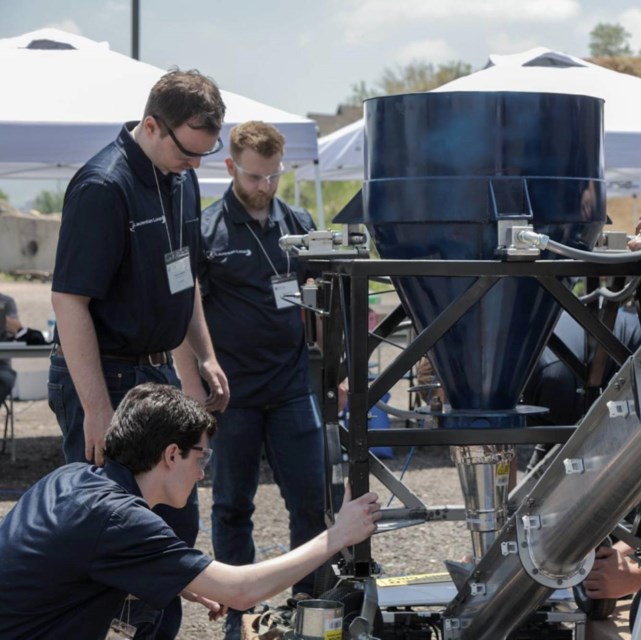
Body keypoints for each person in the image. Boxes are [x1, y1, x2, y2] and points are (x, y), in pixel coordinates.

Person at [48, 69, 231, 639]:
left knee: (176, 523)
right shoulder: (104, 185)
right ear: (152, 125)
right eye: (188, 151)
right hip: (103, 375)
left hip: (153, 373)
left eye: (205, 154)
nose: (196, 165)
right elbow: (69, 301)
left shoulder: (180, 178)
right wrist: (99, 412)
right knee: (116, 534)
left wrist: (202, 354)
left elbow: (184, 278)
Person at [0, 383, 380, 640]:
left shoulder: (72, 479)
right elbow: (242, 591)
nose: (202, 472)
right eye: (201, 456)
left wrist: (179, 579)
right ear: (170, 454)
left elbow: (64, 567)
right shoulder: (119, 517)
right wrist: (340, 534)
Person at [174, 121, 325, 639]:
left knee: (310, 500)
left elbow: (318, 301)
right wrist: (194, 385)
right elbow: (182, 310)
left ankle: (312, 609)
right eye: (256, 176)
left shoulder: (298, 224)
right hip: (229, 396)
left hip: (289, 389)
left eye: (274, 176)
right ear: (231, 167)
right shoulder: (205, 229)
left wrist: (340, 372)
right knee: (233, 504)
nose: (265, 187)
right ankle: (240, 615)